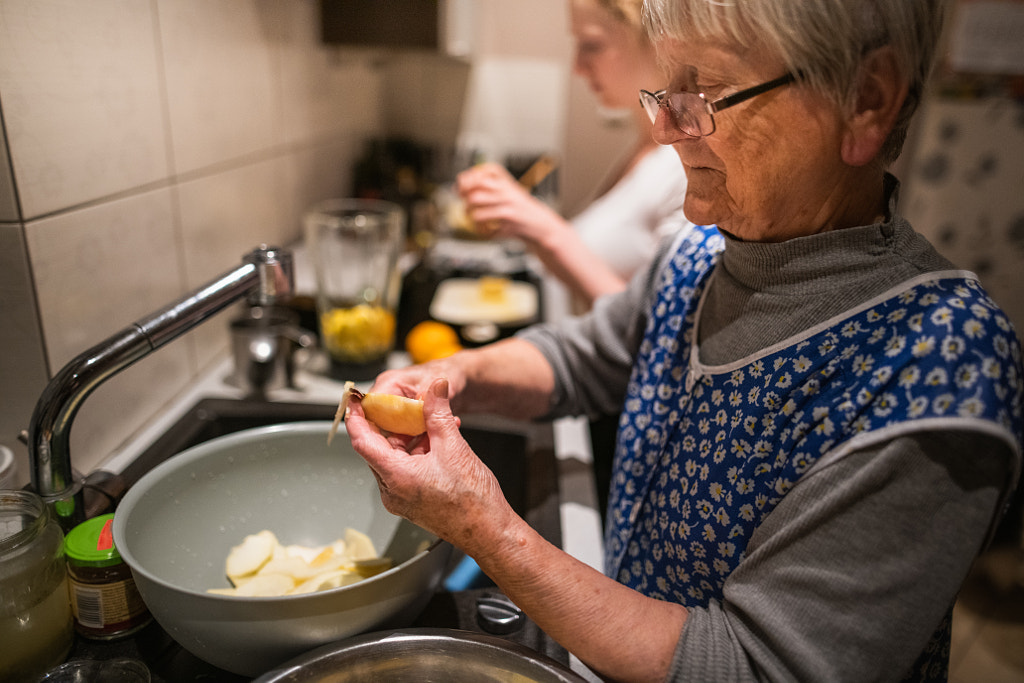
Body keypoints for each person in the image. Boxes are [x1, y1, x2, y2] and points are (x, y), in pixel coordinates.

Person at [344, 0, 1024, 680]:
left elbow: (753, 664)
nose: (665, 126)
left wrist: (481, 525)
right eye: (669, 88)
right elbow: (582, 357)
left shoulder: (938, 364)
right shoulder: (699, 253)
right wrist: (454, 376)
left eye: (709, 92)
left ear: (867, 100)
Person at [456, 0, 693, 309]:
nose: (577, 66)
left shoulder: (685, 168)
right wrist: (519, 219)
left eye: (592, 45)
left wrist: (541, 228)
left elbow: (658, 331)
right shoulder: (643, 149)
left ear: (656, 41)